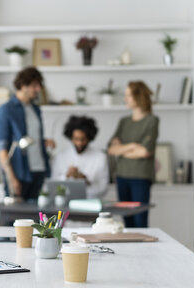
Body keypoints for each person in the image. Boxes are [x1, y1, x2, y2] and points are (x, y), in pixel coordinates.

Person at [0, 66, 55, 204]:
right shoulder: (5, 111)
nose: (38, 89)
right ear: (23, 85)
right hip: (19, 173)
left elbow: (31, 137)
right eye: (34, 85)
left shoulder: (36, 109)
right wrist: (11, 178)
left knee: (36, 220)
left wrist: (44, 141)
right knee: (14, 219)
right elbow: (3, 149)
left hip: (39, 170)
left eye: (39, 85)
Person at [108, 81, 159, 228]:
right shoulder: (123, 122)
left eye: (128, 96)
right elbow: (111, 150)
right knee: (126, 221)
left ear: (139, 97)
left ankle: (143, 252)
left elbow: (144, 151)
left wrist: (122, 150)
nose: (125, 99)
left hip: (141, 178)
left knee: (140, 220)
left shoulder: (152, 121)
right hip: (122, 176)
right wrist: (132, 146)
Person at [52, 115, 109, 199]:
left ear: (89, 138)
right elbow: (54, 186)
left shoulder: (100, 157)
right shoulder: (61, 156)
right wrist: (66, 176)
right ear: (71, 138)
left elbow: (103, 189)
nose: (79, 143)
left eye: (83, 139)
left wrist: (85, 180)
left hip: (91, 203)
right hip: (66, 202)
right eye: (76, 139)